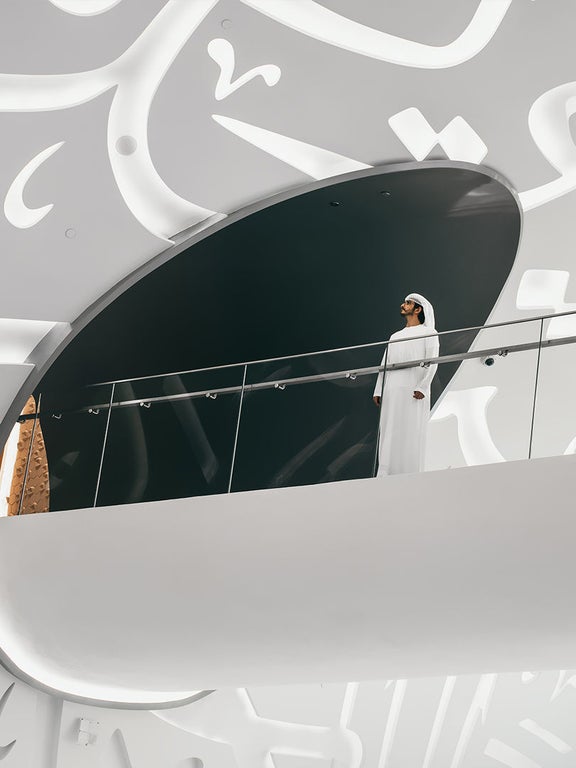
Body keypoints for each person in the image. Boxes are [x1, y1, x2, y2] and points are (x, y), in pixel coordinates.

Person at [373, 293, 439, 476]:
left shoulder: (429, 333)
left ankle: (410, 472)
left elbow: (432, 361)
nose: (403, 305)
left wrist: (423, 386)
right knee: (389, 429)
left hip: (413, 389)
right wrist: (379, 389)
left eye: (408, 303)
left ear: (418, 309)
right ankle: (385, 471)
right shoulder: (394, 336)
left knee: (411, 429)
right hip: (392, 389)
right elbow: (384, 364)